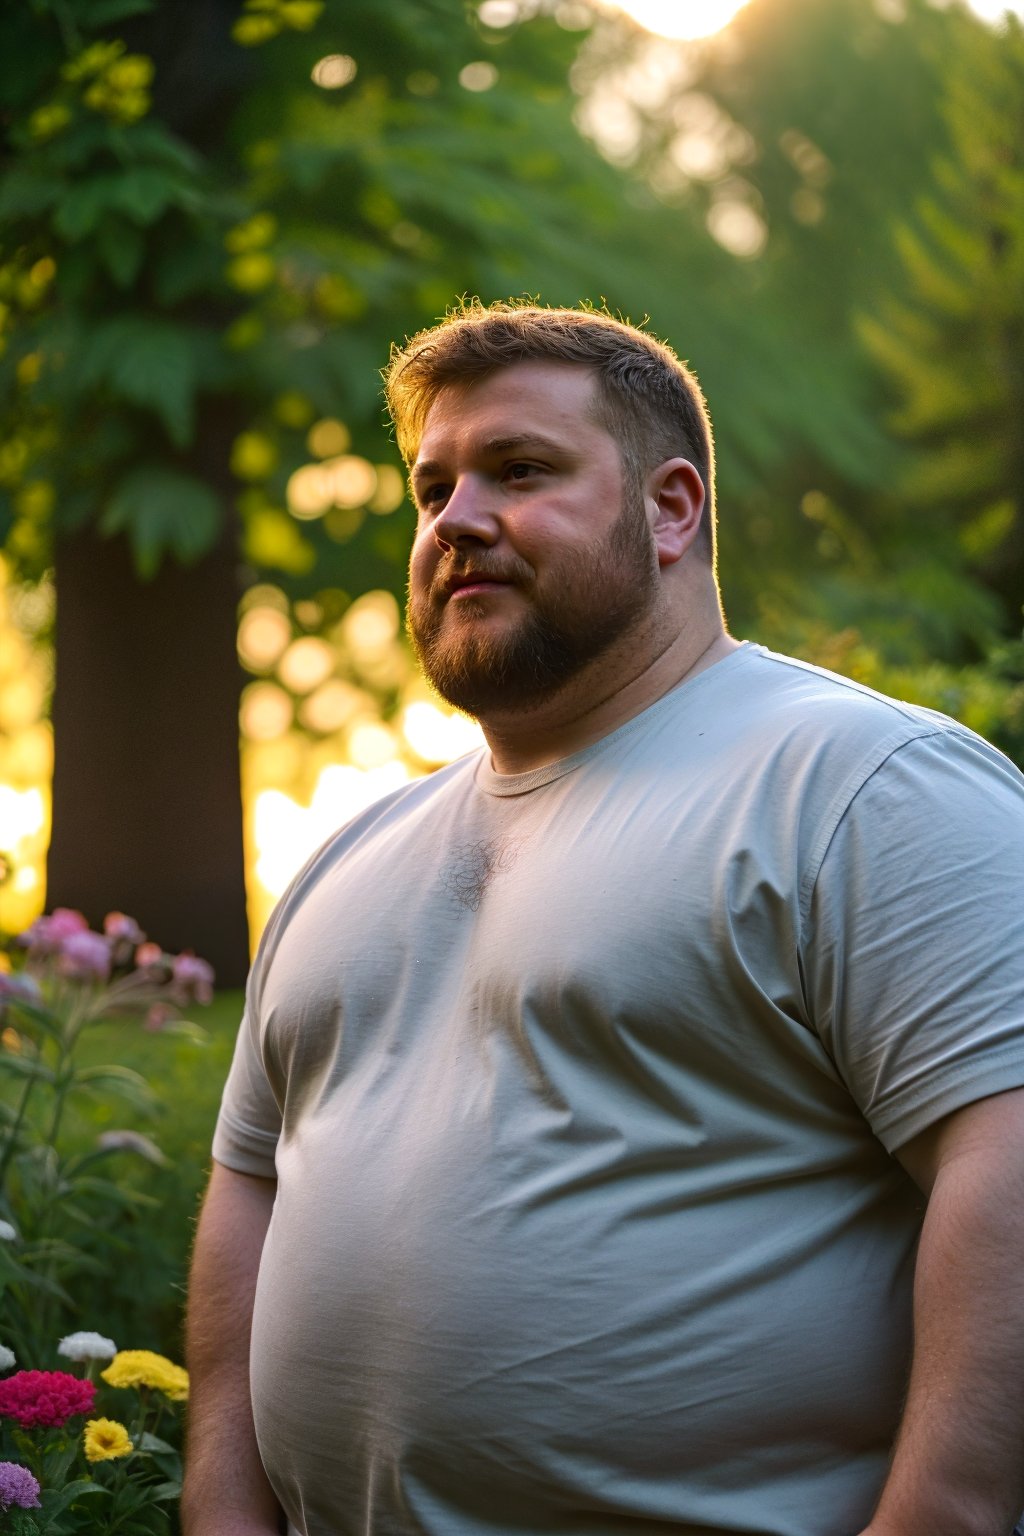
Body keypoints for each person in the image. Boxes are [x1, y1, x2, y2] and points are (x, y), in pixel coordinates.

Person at [182, 303, 1024, 1536]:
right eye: (431, 489)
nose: (456, 520)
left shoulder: (859, 788)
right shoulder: (348, 858)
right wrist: (221, 1506)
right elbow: (251, 1189)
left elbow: (1003, 1164)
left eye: (519, 471)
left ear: (670, 507)